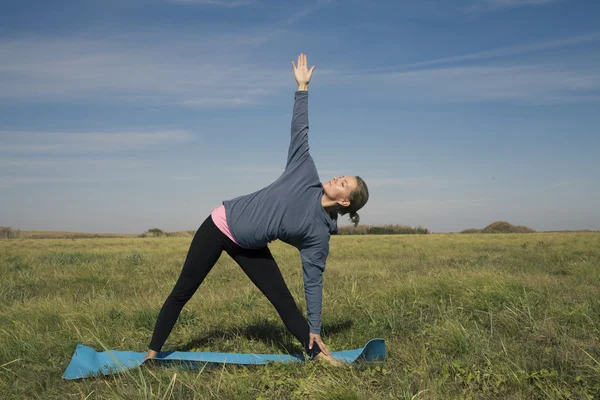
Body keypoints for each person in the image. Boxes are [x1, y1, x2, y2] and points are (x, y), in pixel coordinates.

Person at [143, 53, 369, 366]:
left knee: (283, 301)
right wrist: (302, 89)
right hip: (220, 225)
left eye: (343, 182)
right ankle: (152, 353)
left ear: (345, 202)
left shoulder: (319, 234)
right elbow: (300, 129)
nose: (336, 178)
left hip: (249, 246)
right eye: (341, 176)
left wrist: (315, 327)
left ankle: (318, 354)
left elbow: (313, 281)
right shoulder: (304, 171)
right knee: (184, 290)